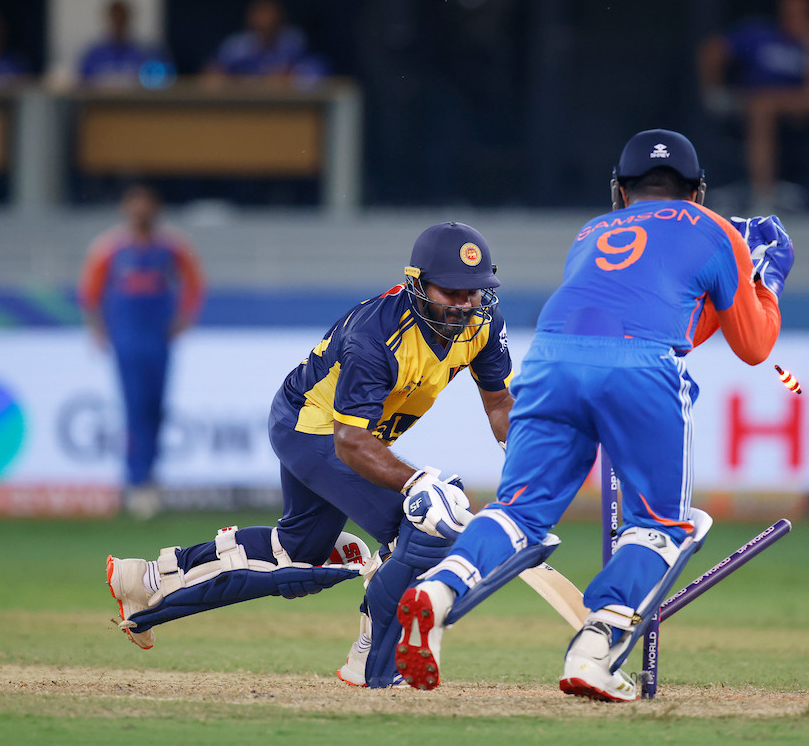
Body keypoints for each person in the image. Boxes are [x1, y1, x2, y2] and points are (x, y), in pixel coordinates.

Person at [394, 129, 793, 702]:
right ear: (697, 191)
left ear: (621, 191)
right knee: (662, 525)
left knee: (518, 511)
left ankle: (436, 591)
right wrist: (763, 281)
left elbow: (665, 319)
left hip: (551, 359)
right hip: (641, 367)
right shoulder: (716, 230)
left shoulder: (593, 232)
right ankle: (594, 652)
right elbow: (752, 346)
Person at [102, 222, 513, 691]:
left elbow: (500, 404)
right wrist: (417, 483)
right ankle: (376, 662)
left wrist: (530, 469)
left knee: (297, 552)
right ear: (417, 285)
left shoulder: (482, 323)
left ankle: (147, 581)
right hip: (313, 428)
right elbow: (350, 441)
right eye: (452, 292)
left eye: (474, 292)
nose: (465, 304)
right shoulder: (376, 336)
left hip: (349, 433)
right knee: (421, 527)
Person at [79, 183, 205, 518]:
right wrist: (97, 328)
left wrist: (184, 319)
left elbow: (195, 283)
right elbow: (89, 291)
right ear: (126, 209)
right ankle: (136, 484)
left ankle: (150, 478)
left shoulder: (172, 247)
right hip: (126, 341)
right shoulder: (110, 248)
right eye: (135, 205)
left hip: (158, 340)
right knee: (134, 409)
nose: (141, 212)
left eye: (146, 205)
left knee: (156, 409)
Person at [697, 0, 809, 211]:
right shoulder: (760, 34)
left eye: (801, 13)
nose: (794, 19)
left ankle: (763, 193)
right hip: (749, 102)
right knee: (761, 108)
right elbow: (712, 50)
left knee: (764, 107)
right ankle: (762, 191)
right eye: (789, 12)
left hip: (797, 109)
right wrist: (714, 90)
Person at [204, 0, 329, 83]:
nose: (265, 31)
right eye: (259, 27)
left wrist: (291, 77)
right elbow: (212, 75)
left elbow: (316, 71)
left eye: (271, 25)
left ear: (280, 24)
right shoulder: (236, 46)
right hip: (245, 101)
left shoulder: (293, 41)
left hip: (285, 103)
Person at [78, 0, 174, 89]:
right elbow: (82, 86)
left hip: (137, 99)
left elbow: (165, 82)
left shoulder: (147, 54)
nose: (118, 21)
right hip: (101, 99)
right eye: (115, 17)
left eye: (122, 17)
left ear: (129, 18)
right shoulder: (93, 56)